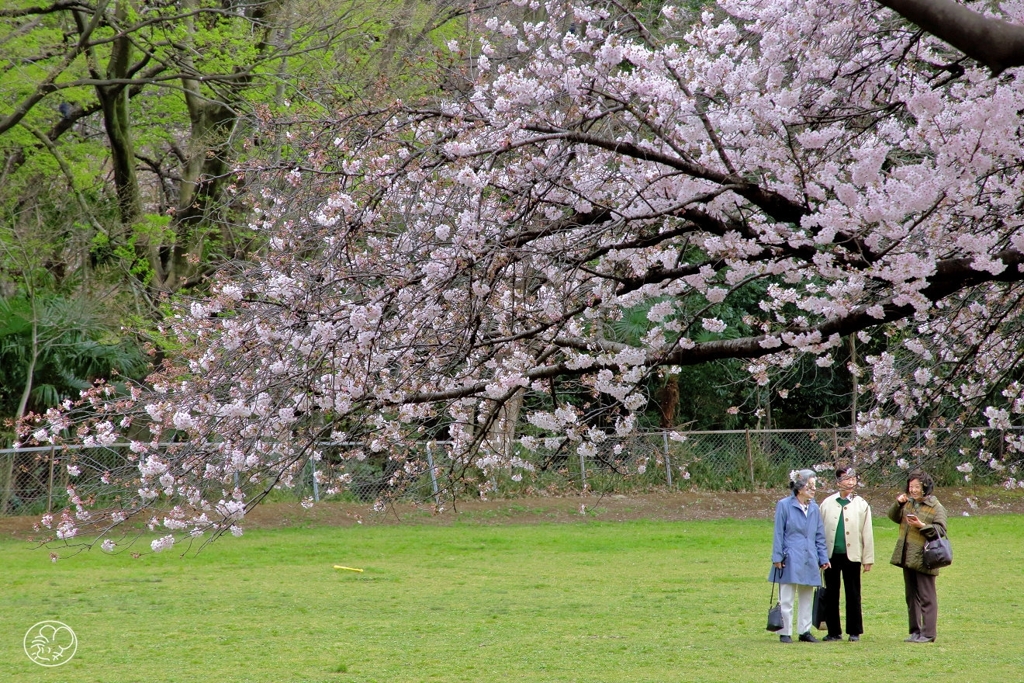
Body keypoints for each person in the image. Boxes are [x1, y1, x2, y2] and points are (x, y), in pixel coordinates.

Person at [769, 469, 830, 643]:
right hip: (789, 556)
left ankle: (805, 631)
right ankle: (785, 632)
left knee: (807, 596)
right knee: (786, 597)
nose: (813, 489)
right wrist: (777, 557)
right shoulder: (784, 505)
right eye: (810, 485)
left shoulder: (814, 508)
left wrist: (823, 558)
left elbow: (819, 535)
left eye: (814, 486)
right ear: (799, 487)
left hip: (809, 557)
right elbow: (778, 532)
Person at [888, 469, 947, 644]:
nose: (913, 490)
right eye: (910, 486)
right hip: (907, 556)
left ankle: (928, 634)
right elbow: (893, 517)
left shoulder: (936, 507)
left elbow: (941, 531)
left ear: (925, 487)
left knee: (927, 597)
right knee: (911, 596)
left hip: (926, 557)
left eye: (917, 487)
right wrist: (898, 504)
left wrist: (922, 525)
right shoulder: (908, 504)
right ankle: (915, 631)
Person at [820, 466, 874, 642]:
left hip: (853, 555)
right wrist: (819, 556)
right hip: (830, 556)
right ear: (838, 482)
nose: (850, 482)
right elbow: (819, 532)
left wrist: (868, 559)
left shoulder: (861, 504)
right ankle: (833, 631)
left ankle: (854, 631)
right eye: (846, 479)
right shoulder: (827, 503)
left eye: (853, 479)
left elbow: (867, 533)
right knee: (831, 593)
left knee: (853, 593)